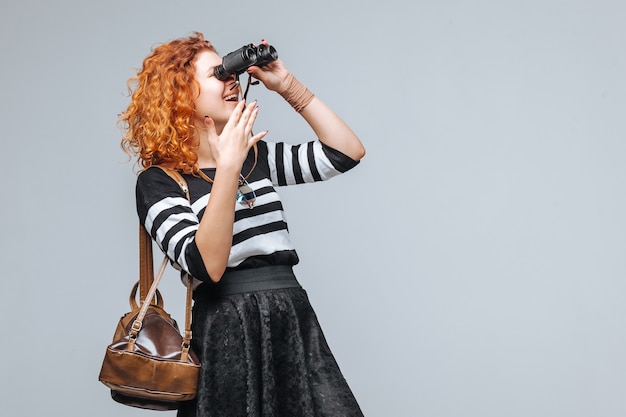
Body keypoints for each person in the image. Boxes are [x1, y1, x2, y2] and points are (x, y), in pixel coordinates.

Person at [120, 32, 366, 417]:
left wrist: (288, 87)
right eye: (217, 74)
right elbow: (208, 266)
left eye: (230, 70)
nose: (230, 79)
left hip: (291, 317)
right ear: (181, 95)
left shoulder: (258, 157)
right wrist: (228, 169)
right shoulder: (159, 183)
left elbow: (345, 152)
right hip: (227, 328)